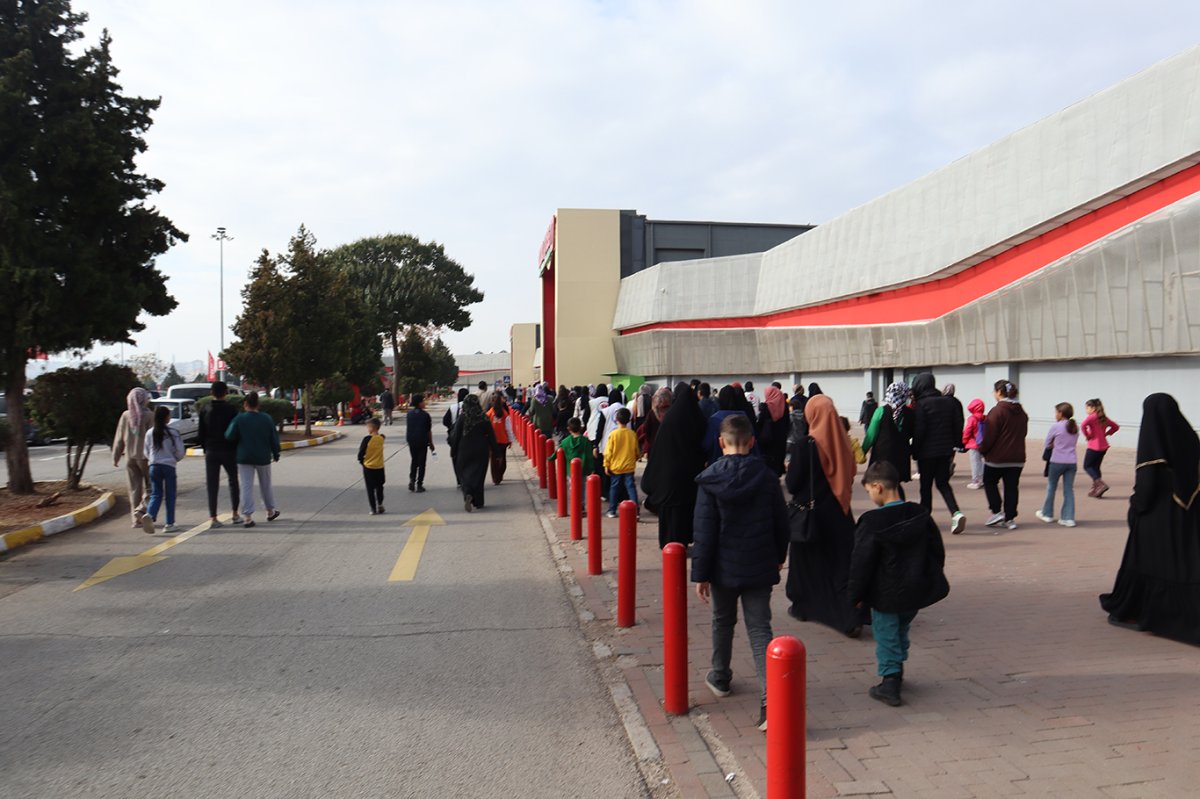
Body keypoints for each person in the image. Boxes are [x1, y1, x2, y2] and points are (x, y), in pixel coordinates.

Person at [692, 413, 789, 732]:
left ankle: (720, 675)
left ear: (721, 443)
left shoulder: (710, 480)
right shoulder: (766, 478)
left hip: (723, 567)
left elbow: (704, 531)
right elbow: (781, 521)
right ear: (752, 442)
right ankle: (771, 699)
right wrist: (779, 555)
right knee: (760, 628)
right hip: (759, 562)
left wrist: (701, 574)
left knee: (722, 620)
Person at [1099, 393, 1200, 644]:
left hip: (1158, 517)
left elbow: (1147, 485)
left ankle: (1141, 610)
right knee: (1185, 564)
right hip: (1188, 515)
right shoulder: (1188, 437)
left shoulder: (1154, 440)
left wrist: (1136, 507)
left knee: (1150, 562)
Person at [849, 462, 950, 707]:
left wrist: (854, 594)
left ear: (878, 486)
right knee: (900, 629)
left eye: (870, 491)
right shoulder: (920, 515)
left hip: (885, 592)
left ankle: (890, 681)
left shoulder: (871, 522)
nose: (870, 497)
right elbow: (937, 550)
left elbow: (861, 562)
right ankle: (897, 667)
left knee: (886, 635)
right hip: (914, 589)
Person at [785, 394, 867, 636]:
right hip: (839, 514)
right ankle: (851, 613)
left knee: (806, 565)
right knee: (840, 567)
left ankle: (804, 606)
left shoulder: (805, 445)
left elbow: (792, 484)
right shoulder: (843, 443)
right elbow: (850, 473)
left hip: (810, 517)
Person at [642, 382, 707, 548]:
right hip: (688, 478)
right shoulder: (697, 417)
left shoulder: (670, 420)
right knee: (684, 513)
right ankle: (682, 542)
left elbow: (658, 450)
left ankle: (668, 545)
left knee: (669, 515)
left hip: (668, 479)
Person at [910, 373, 966, 535]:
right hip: (945, 451)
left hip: (926, 453)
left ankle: (925, 519)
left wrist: (915, 450)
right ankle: (956, 513)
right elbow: (957, 424)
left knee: (925, 487)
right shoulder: (948, 402)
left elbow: (919, 430)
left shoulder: (921, 404)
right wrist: (956, 445)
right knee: (943, 484)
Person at [224, 391, 281, 529]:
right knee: (266, 484)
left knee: (246, 486)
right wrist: (276, 453)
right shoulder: (266, 418)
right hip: (263, 457)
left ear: (245, 404)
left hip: (244, 457)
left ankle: (247, 517)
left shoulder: (239, 419)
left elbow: (229, 435)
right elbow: (273, 438)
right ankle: (270, 511)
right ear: (258, 404)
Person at [979, 380, 1028, 530]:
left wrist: (983, 450)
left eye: (994, 391)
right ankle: (1010, 518)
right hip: (1017, 458)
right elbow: (1023, 433)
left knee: (989, 482)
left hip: (997, 458)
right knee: (1012, 487)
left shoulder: (997, 411)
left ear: (999, 392)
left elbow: (989, 436)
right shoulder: (1022, 413)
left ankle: (996, 511)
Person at [198, 380, 241, 527]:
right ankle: (235, 513)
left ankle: (213, 518)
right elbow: (236, 431)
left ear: (211, 393)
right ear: (226, 393)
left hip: (211, 450)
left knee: (212, 484)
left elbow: (200, 433)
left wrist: (205, 448)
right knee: (233, 481)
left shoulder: (205, 409)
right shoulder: (231, 409)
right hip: (228, 450)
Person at [141, 404, 186, 534]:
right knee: (170, 495)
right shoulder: (173, 433)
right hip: (169, 466)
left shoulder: (150, 433)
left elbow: (146, 451)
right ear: (167, 417)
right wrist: (174, 459)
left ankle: (150, 514)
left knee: (156, 493)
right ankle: (170, 523)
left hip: (154, 466)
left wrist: (153, 460)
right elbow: (180, 452)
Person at [112, 387, 153, 528]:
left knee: (134, 488)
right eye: (147, 397)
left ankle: (135, 520)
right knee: (152, 487)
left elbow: (118, 439)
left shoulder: (125, 415)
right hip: (146, 458)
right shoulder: (149, 416)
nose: (148, 400)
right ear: (143, 400)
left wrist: (115, 457)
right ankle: (141, 510)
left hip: (129, 458)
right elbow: (154, 438)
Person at [1036, 402, 1080, 527]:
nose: (1055, 414)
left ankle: (1047, 513)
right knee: (1068, 490)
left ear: (1061, 413)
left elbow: (1047, 443)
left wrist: (1054, 444)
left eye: (1056, 412)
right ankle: (1068, 517)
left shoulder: (1056, 426)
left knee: (1051, 487)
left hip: (1057, 461)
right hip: (1071, 461)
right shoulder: (1075, 427)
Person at [863, 382, 914, 487]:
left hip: (882, 455)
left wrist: (862, 451)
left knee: (882, 486)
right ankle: (900, 503)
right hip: (901, 455)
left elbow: (871, 435)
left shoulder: (881, 411)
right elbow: (912, 434)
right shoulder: (910, 413)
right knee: (896, 485)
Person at [450, 394, 496, 512]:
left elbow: (456, 436)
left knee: (463, 473)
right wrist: (497, 451)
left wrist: (453, 450)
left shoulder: (462, 417)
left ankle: (468, 493)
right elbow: (491, 436)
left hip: (464, 449)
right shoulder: (484, 417)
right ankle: (478, 502)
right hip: (481, 449)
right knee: (479, 475)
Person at [551, 417, 595, 512]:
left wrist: (550, 458)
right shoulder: (586, 441)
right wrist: (592, 468)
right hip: (582, 469)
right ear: (581, 428)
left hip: (570, 469)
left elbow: (557, 452)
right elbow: (589, 456)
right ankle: (581, 505)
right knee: (582, 487)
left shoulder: (565, 442)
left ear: (568, 429)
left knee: (573, 487)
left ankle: (575, 503)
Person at [604, 407, 639, 518]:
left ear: (616, 419)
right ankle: (635, 511)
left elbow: (608, 452)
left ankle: (612, 510)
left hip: (616, 466)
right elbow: (636, 450)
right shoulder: (632, 434)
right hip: (629, 466)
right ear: (629, 420)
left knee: (614, 488)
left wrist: (606, 464)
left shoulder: (613, 435)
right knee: (631, 488)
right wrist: (636, 457)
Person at [1082, 398, 1120, 498]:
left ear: (1093, 408)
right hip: (1103, 447)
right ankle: (1096, 489)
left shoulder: (1091, 417)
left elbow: (1083, 425)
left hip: (1093, 446)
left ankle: (1099, 484)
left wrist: (1087, 435)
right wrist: (1107, 433)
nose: (1086, 410)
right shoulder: (1103, 418)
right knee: (1096, 467)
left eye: (1087, 408)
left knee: (1087, 466)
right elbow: (1116, 426)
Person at [756, 384, 790, 476]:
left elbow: (760, 423)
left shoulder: (765, 407)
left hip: (768, 438)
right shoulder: (785, 406)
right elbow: (788, 422)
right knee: (778, 457)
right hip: (781, 437)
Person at [406, 393, 434, 492]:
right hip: (422, 441)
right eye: (423, 401)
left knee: (414, 460)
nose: (424, 402)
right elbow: (428, 431)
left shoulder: (409, 414)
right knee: (421, 463)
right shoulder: (425, 415)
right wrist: (431, 444)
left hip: (412, 441)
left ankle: (412, 480)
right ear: (419, 403)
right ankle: (419, 484)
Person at [358, 417, 387, 514]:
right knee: (379, 487)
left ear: (372, 428)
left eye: (368, 427)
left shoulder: (366, 439)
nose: (367, 429)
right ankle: (380, 504)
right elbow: (382, 436)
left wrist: (363, 462)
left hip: (369, 467)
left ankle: (373, 509)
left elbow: (360, 454)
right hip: (380, 467)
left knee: (370, 489)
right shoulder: (381, 438)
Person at [486, 392, 514, 485]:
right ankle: (500, 475)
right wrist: (511, 440)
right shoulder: (505, 413)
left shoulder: (489, 413)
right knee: (502, 458)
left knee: (493, 460)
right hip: (503, 440)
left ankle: (495, 478)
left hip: (491, 441)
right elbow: (508, 428)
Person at [444, 387, 469, 486]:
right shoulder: (471, 407)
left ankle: (459, 479)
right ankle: (467, 477)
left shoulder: (453, 407)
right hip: (467, 436)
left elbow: (445, 421)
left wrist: (451, 428)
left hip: (455, 437)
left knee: (455, 457)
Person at [962, 398, 987, 490]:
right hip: (984, 443)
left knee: (975, 462)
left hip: (973, 444)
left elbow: (967, 431)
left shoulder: (972, 418)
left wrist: (964, 441)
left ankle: (975, 481)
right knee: (983, 462)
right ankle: (983, 479)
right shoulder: (986, 417)